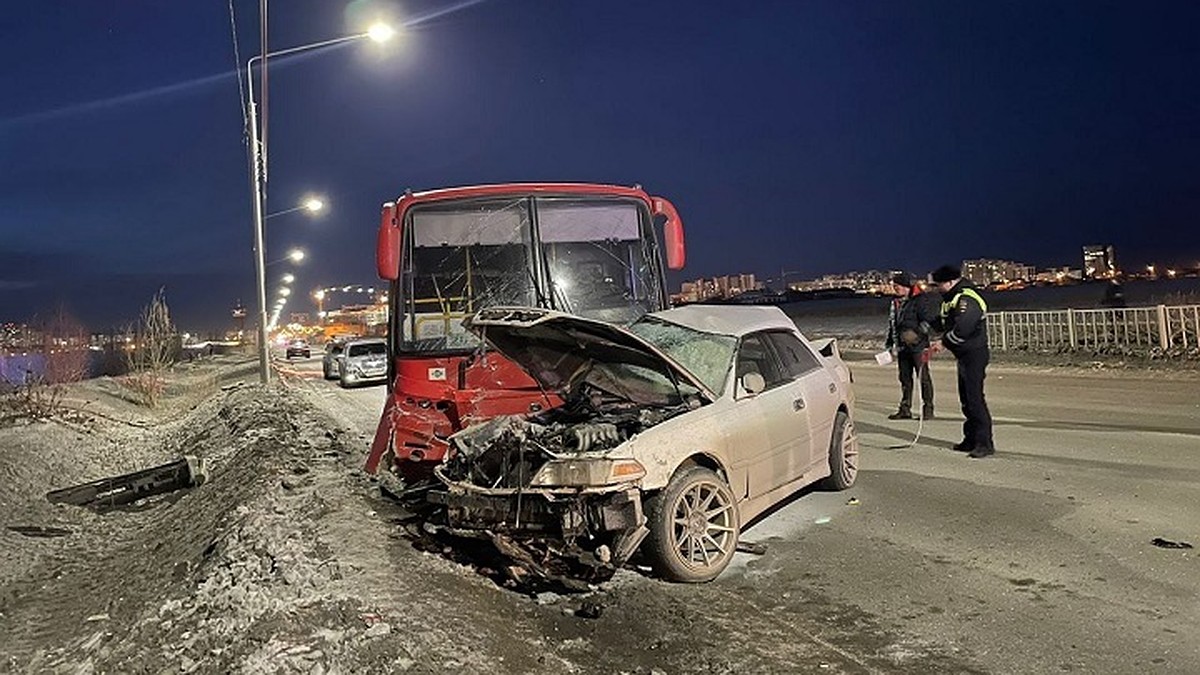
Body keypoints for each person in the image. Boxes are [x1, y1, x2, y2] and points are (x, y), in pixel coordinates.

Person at [929, 264, 995, 458]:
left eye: (939, 284)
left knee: (975, 399)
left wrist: (943, 342)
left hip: (974, 353)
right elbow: (943, 321)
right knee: (966, 399)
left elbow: (963, 328)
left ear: (950, 282)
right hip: (964, 355)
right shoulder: (951, 298)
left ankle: (985, 443)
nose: (937, 288)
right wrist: (925, 327)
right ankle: (970, 439)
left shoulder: (966, 298)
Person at [883, 273, 937, 420]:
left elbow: (928, 321)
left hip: (918, 347)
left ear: (906, 286)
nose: (895, 289)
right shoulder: (895, 303)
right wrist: (889, 343)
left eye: (897, 286)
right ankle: (905, 409)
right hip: (902, 347)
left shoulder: (919, 300)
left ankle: (928, 409)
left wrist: (916, 335)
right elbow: (892, 325)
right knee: (904, 379)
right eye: (894, 286)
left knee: (923, 378)